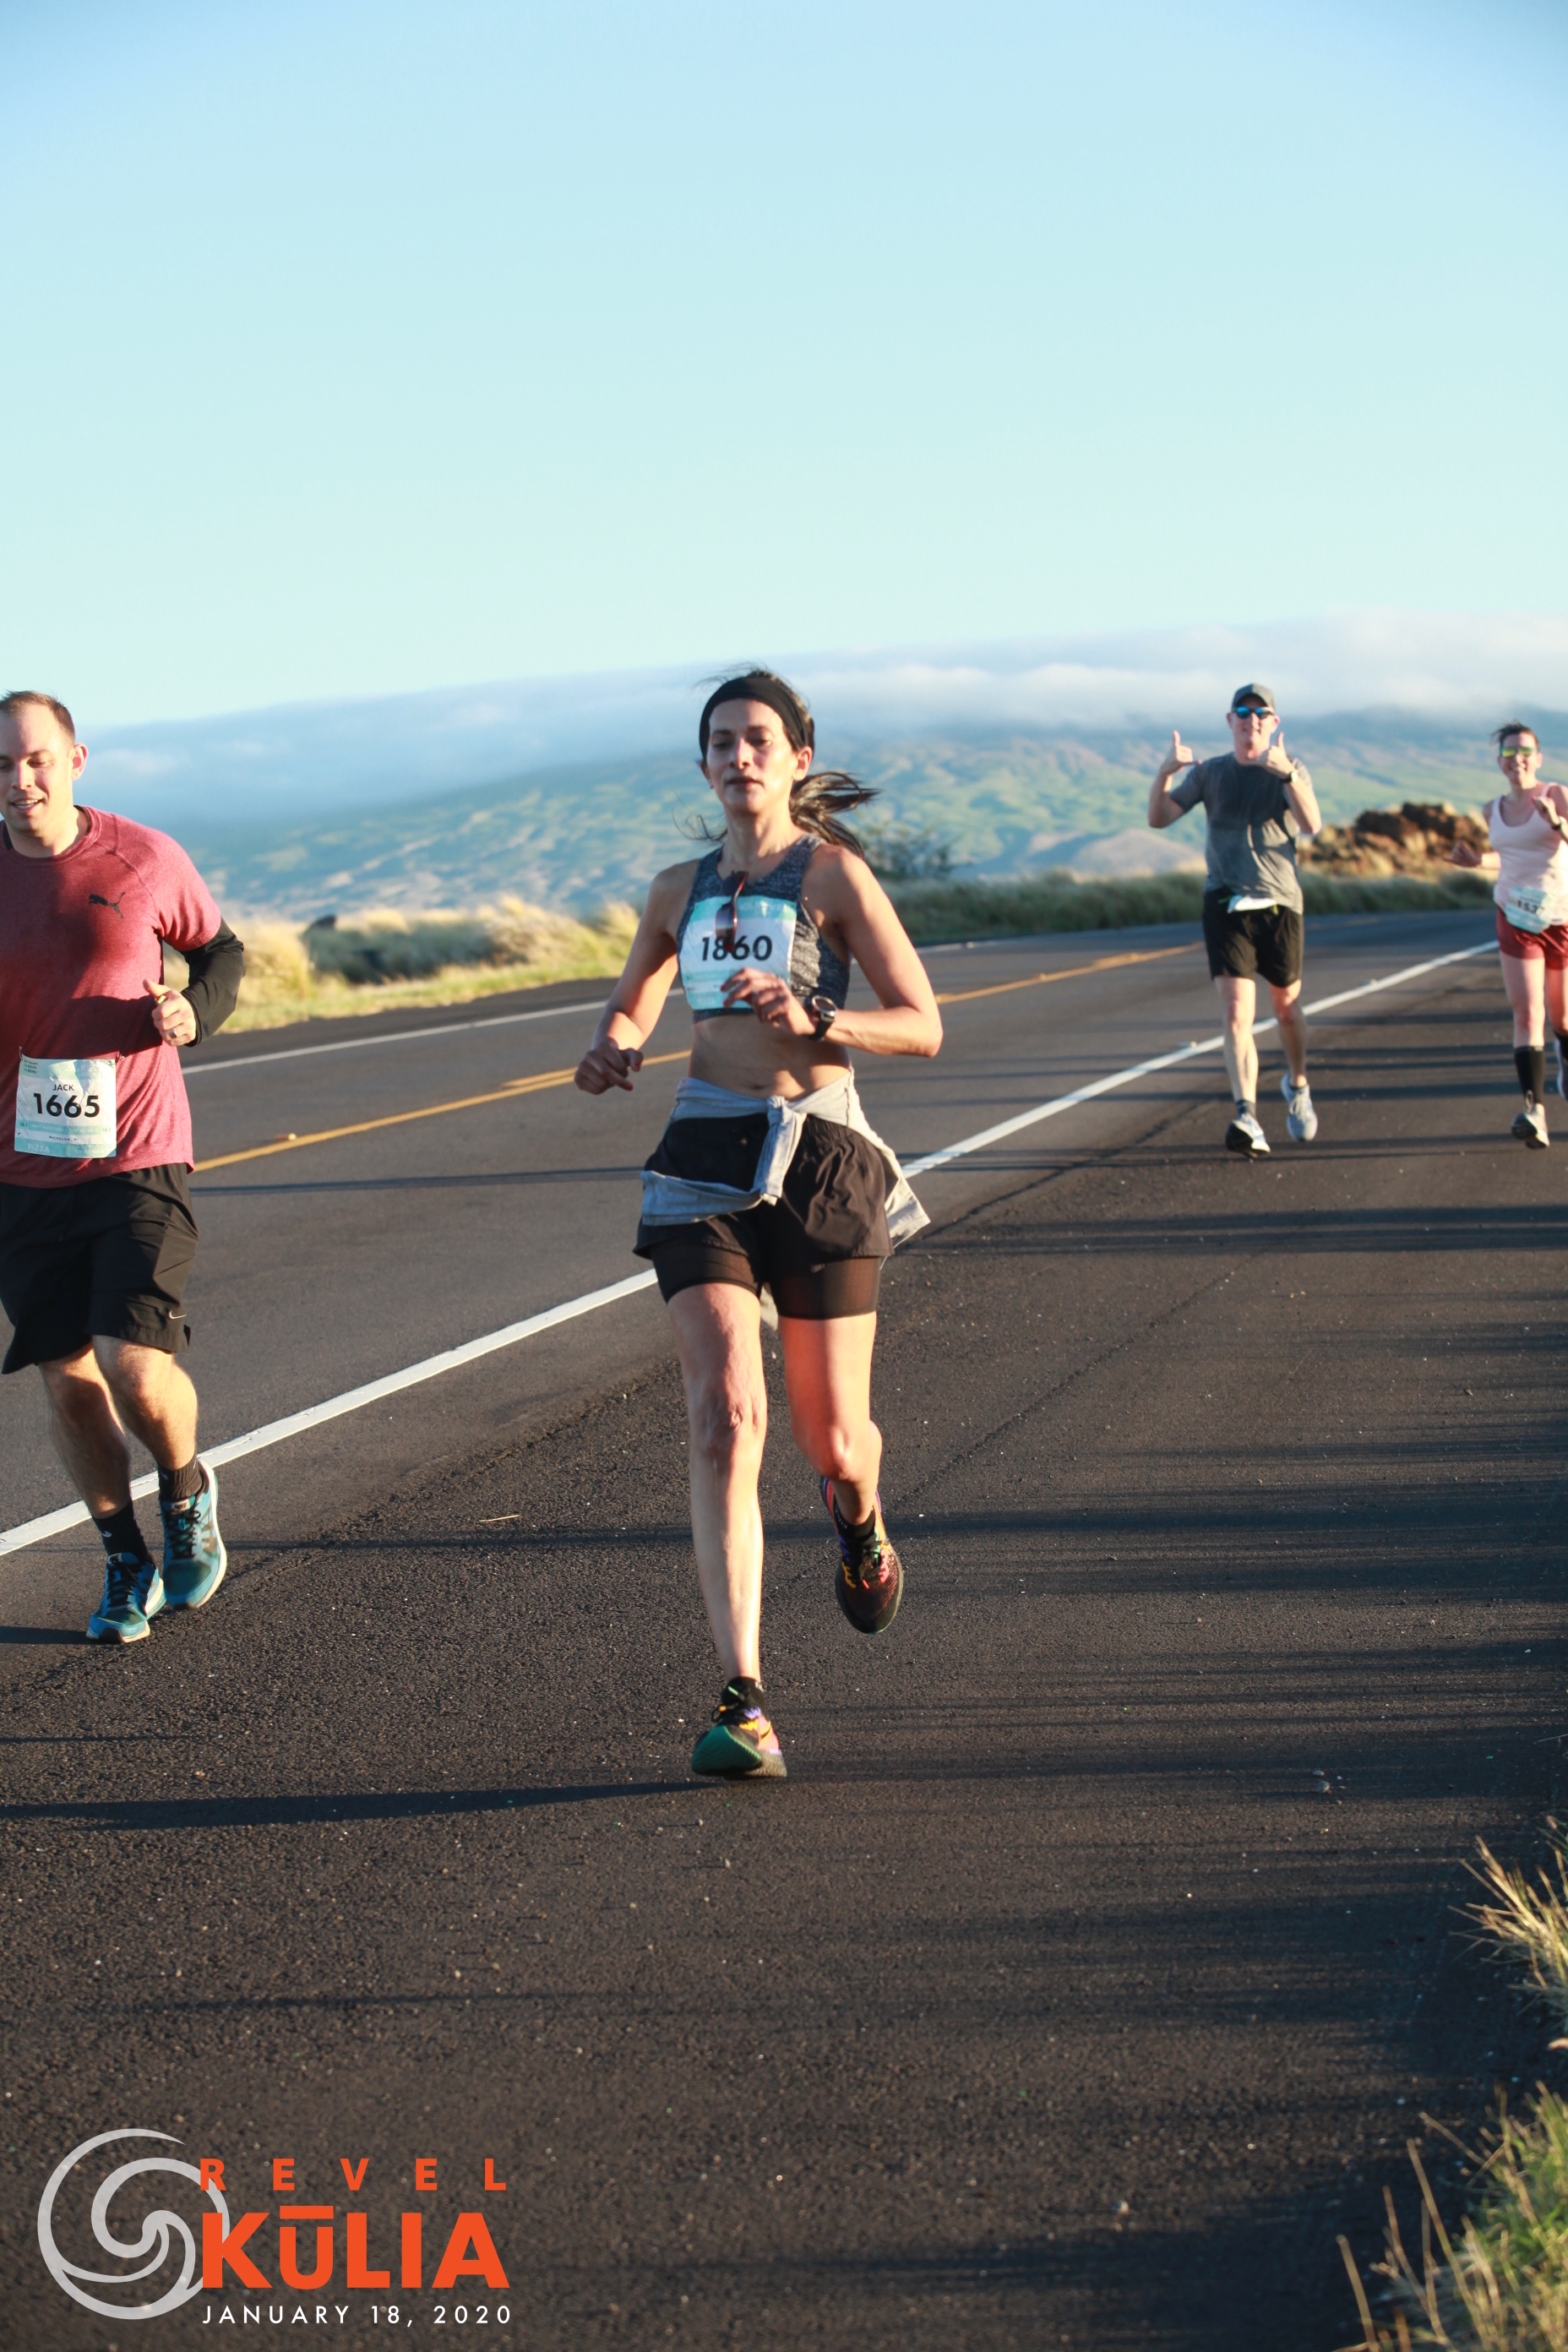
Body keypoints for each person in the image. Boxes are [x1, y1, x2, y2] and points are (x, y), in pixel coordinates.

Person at [574, 669, 942, 1779]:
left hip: (821, 1154)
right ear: (703, 765)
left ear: (795, 759)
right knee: (726, 1412)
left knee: (834, 1440)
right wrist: (617, 1045)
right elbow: (635, 997)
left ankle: (859, 1519)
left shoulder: (832, 877)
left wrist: (818, 1012)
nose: (740, 756)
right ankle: (744, 1701)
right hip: (704, 1157)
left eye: (759, 740)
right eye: (722, 741)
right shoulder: (674, 891)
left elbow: (922, 1024)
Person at [0, 691, 245, 1643]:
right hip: (21, 1167)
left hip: (138, 1149)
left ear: (74, 760)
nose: (21, 780)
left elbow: (218, 952)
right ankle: (122, 1558)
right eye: (3, 766)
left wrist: (195, 1010)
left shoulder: (140, 856)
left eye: (35, 760)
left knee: (134, 1366)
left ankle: (185, 1492)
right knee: (67, 1379)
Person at [1147, 682, 1323, 1157]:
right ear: (1230, 721)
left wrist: (1288, 775)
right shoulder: (1211, 773)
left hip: (1280, 904)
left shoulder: (1290, 768)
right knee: (1235, 1013)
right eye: (1243, 713)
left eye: (1261, 714)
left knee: (1286, 1008)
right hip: (1225, 903)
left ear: (1274, 722)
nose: (1252, 720)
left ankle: (1298, 1084)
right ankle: (1247, 1115)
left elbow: (1312, 825)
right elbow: (1159, 818)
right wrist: (1164, 774)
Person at [1445, 722, 1568, 1148]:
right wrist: (1477, 861)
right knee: (1528, 1013)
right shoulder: (1491, 810)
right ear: (1500, 762)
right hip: (1515, 916)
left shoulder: (1557, 795)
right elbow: (1510, 854)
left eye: (1525, 751)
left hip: (1561, 918)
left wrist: (1558, 823)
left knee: (1562, 1016)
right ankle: (1535, 1111)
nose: (1518, 759)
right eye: (1510, 752)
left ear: (1538, 758)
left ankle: (1564, 1054)